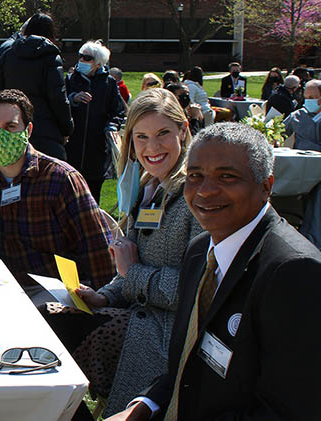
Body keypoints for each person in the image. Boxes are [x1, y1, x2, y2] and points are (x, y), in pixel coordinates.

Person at [106, 122, 321, 420]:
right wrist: (142, 407)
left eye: (227, 177)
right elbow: (184, 366)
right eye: (195, 176)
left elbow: (288, 410)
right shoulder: (199, 252)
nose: (205, 191)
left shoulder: (293, 272)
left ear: (266, 186)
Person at [61, 89, 203, 416]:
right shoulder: (147, 187)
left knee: (62, 340)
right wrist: (105, 296)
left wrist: (131, 275)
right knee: (55, 321)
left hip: (168, 335)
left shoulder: (197, 197)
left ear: (183, 130)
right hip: (137, 318)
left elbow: (197, 290)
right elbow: (130, 268)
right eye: (141, 137)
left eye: (163, 134)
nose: (152, 148)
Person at [0, 89, 115, 289]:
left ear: (27, 131)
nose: (1, 135)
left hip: (51, 291)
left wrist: (103, 301)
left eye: (10, 127)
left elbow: (98, 250)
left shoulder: (60, 179)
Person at [0, 11, 74, 160]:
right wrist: (67, 128)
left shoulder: (8, 54)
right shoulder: (51, 57)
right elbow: (58, 97)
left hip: (12, 128)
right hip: (46, 131)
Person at [66, 40, 126, 202]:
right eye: (80, 56)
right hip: (72, 146)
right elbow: (60, 104)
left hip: (97, 148)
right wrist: (73, 99)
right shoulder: (71, 79)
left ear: (98, 63)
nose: (81, 61)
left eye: (87, 58)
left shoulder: (109, 83)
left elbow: (118, 110)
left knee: (93, 195)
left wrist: (111, 126)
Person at [284, 79, 321, 151]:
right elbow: (279, 133)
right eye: (306, 98)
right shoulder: (297, 115)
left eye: (311, 98)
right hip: (300, 159)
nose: (308, 101)